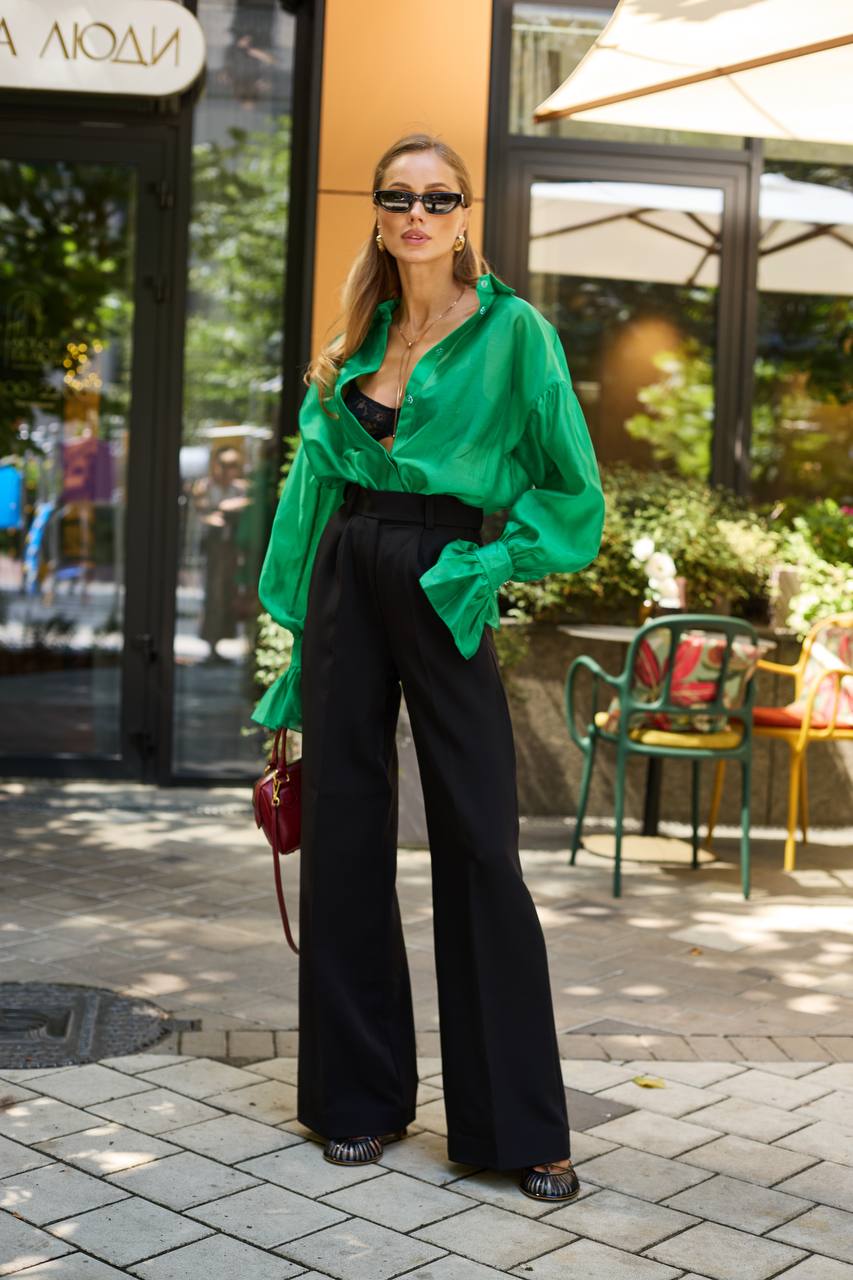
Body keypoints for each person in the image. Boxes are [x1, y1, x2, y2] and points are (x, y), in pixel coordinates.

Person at [252, 132, 605, 1203]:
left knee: (477, 836)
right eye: (398, 197)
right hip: (348, 570)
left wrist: (486, 565)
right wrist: (290, 646)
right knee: (349, 830)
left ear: (464, 215)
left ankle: (518, 1125)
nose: (417, 212)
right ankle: (355, 1100)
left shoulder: (514, 332)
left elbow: (571, 492)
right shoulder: (357, 332)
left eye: (438, 196)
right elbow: (311, 489)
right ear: (378, 213)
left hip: (445, 570)